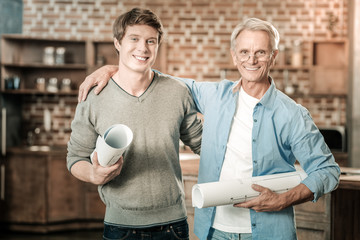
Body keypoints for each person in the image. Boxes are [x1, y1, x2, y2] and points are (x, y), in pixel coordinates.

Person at [78, 18, 340, 240]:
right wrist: (116, 68)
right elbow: (158, 80)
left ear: (273, 56)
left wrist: (283, 200)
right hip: (214, 230)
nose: (252, 59)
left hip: (269, 230)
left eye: (261, 52)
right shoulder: (215, 95)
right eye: (244, 52)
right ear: (234, 55)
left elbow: (327, 171)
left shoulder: (292, 114)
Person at [67, 8, 203, 240]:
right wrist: (93, 174)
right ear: (117, 43)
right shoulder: (94, 97)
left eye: (151, 41)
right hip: (120, 227)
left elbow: (205, 144)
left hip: (173, 227)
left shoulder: (177, 91)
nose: (143, 48)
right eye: (134, 39)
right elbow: (75, 158)